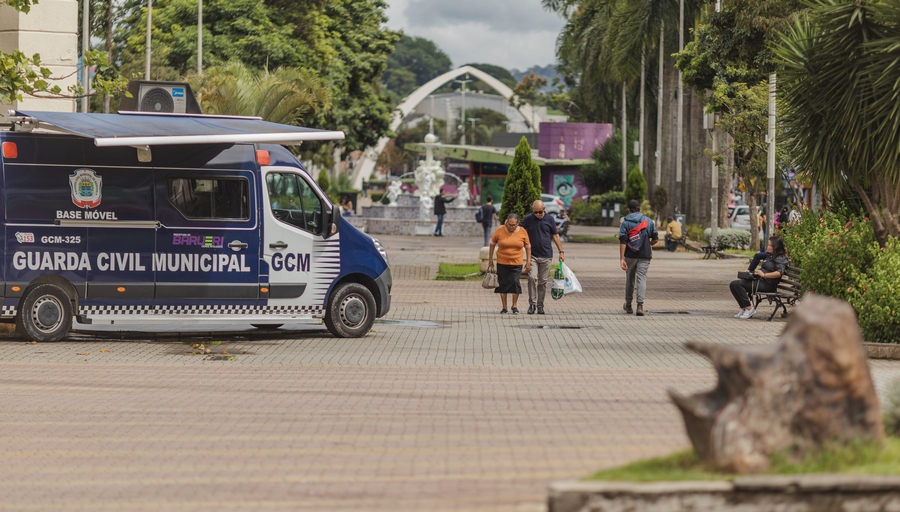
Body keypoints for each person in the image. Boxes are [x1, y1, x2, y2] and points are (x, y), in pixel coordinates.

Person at [520, 200, 564, 315]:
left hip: (546, 255)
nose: (538, 214)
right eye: (536, 212)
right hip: (533, 255)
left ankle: (540, 305)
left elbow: (555, 235)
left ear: (544, 209)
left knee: (542, 282)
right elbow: (519, 230)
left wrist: (561, 251)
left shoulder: (550, 219)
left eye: (540, 212)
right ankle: (532, 304)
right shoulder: (528, 219)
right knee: (532, 278)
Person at [729, 236, 789, 319]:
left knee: (737, 284)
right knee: (733, 284)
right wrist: (753, 272)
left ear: (776, 247)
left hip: (768, 284)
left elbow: (779, 273)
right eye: (768, 245)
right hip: (760, 280)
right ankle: (744, 308)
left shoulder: (780, 258)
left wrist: (764, 275)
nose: (768, 247)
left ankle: (749, 309)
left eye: (770, 245)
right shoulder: (770, 256)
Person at [619, 199, 659, 317]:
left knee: (630, 280)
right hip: (644, 254)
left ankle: (628, 304)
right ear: (639, 208)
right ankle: (640, 305)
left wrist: (621, 258)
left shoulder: (625, 223)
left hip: (630, 255)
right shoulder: (648, 221)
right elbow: (655, 238)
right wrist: (648, 245)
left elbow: (623, 241)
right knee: (641, 279)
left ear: (628, 210)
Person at [488, 214, 532, 314]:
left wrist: (528, 261)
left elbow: (528, 247)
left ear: (518, 223)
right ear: (506, 222)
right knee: (503, 284)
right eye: (510, 224)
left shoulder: (522, 231)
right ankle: (504, 307)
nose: (512, 227)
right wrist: (490, 259)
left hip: (517, 262)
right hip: (502, 262)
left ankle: (514, 305)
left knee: (515, 282)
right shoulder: (500, 230)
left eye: (514, 225)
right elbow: (492, 244)